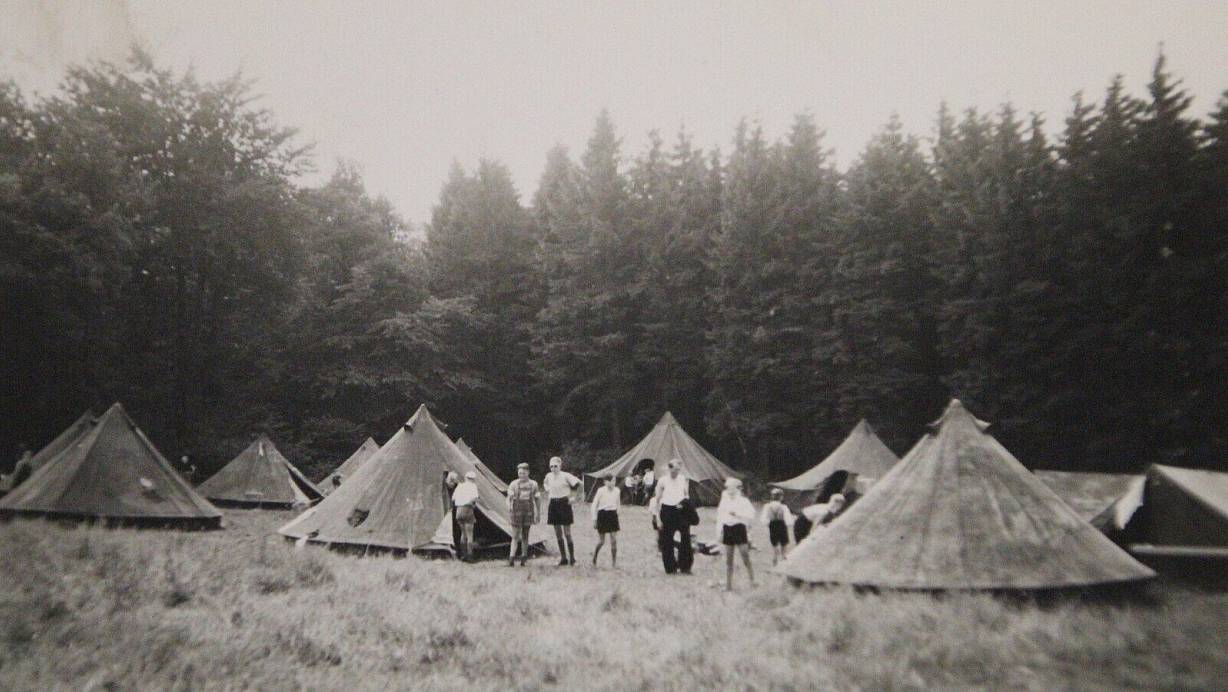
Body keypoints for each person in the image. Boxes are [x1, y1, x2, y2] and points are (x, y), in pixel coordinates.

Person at [651, 458, 694, 574]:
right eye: (674, 469)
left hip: (680, 510)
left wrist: (687, 508)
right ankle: (670, 568)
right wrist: (657, 517)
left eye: (678, 470)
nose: (676, 472)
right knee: (667, 540)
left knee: (686, 537)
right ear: (669, 469)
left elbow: (686, 495)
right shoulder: (663, 481)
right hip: (667, 510)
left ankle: (685, 566)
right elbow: (657, 499)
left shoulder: (682, 479)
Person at [716, 478, 756, 591]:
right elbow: (720, 516)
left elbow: (751, 515)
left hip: (739, 528)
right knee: (729, 560)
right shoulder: (724, 500)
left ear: (737, 488)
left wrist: (738, 514)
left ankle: (752, 581)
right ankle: (728, 586)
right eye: (727, 487)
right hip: (727, 529)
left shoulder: (743, 501)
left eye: (730, 487)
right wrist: (719, 532)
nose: (728, 489)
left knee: (745, 556)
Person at [543, 456, 581, 566]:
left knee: (567, 533)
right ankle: (563, 558)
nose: (553, 468)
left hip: (564, 503)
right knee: (558, 534)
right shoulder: (548, 476)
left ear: (560, 466)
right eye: (551, 466)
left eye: (555, 466)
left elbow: (580, 485)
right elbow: (545, 482)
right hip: (553, 504)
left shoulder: (566, 476)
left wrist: (575, 498)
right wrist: (546, 488)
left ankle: (572, 559)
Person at [505, 463, 540, 566]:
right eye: (519, 473)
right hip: (516, 511)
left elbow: (537, 499)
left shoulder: (533, 484)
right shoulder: (513, 484)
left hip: (528, 511)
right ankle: (511, 558)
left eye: (523, 473)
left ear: (528, 472)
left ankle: (524, 558)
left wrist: (538, 512)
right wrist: (509, 507)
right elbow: (508, 498)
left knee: (525, 534)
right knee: (515, 535)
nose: (521, 475)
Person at [590, 474, 621, 567]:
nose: (613, 483)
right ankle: (594, 556)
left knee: (614, 540)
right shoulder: (601, 491)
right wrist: (594, 519)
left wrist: (617, 514)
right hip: (602, 515)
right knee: (601, 541)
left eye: (614, 481)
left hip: (612, 515)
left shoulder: (617, 491)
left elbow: (618, 504)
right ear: (606, 482)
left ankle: (614, 563)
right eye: (611, 481)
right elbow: (594, 505)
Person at [759, 488, 795, 566]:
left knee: (774, 541)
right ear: (781, 497)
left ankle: (775, 555)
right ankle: (783, 556)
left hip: (772, 525)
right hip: (782, 525)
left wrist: (768, 523)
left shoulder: (767, 506)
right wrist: (789, 524)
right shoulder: (783, 507)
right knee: (784, 542)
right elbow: (788, 519)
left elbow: (763, 518)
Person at [452, 470, 480, 561]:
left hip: (459, 510)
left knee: (463, 534)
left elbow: (453, 498)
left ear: (465, 478)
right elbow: (475, 498)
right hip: (467, 509)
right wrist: (473, 504)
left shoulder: (460, 486)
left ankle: (462, 555)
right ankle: (470, 556)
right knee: (470, 535)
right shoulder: (473, 486)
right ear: (473, 479)